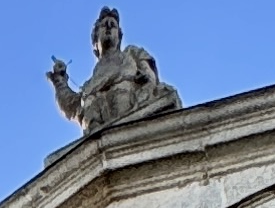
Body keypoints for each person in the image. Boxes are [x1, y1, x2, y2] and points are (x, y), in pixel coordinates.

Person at [48, 9, 183, 137]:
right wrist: (60, 80)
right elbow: (71, 107)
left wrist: (145, 78)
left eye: (112, 25)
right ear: (95, 41)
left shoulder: (132, 54)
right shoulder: (88, 86)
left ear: (119, 36)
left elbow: (150, 78)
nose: (108, 28)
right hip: (95, 131)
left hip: (130, 113)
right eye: (104, 25)